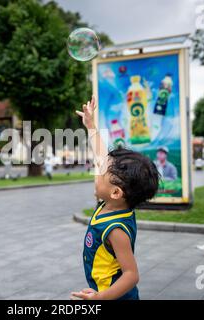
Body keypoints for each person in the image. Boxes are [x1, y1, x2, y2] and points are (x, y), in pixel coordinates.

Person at [71, 96, 159, 300]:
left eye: (100, 172)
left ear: (116, 192)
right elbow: (103, 156)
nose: (96, 171)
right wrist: (91, 126)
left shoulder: (116, 230)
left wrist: (100, 298)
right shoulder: (111, 203)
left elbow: (131, 275)